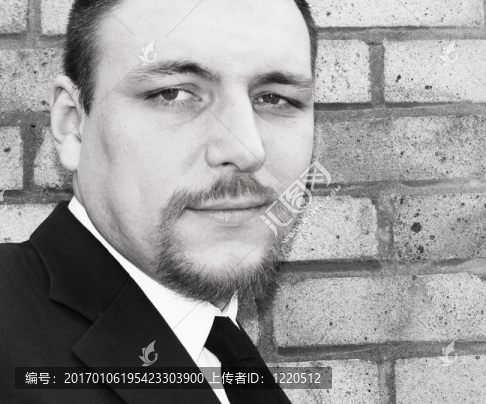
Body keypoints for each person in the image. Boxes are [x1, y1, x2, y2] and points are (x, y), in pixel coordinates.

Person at [0, 0, 317, 402]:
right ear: (74, 126)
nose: (246, 150)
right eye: (173, 93)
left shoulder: (222, 348)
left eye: (275, 99)